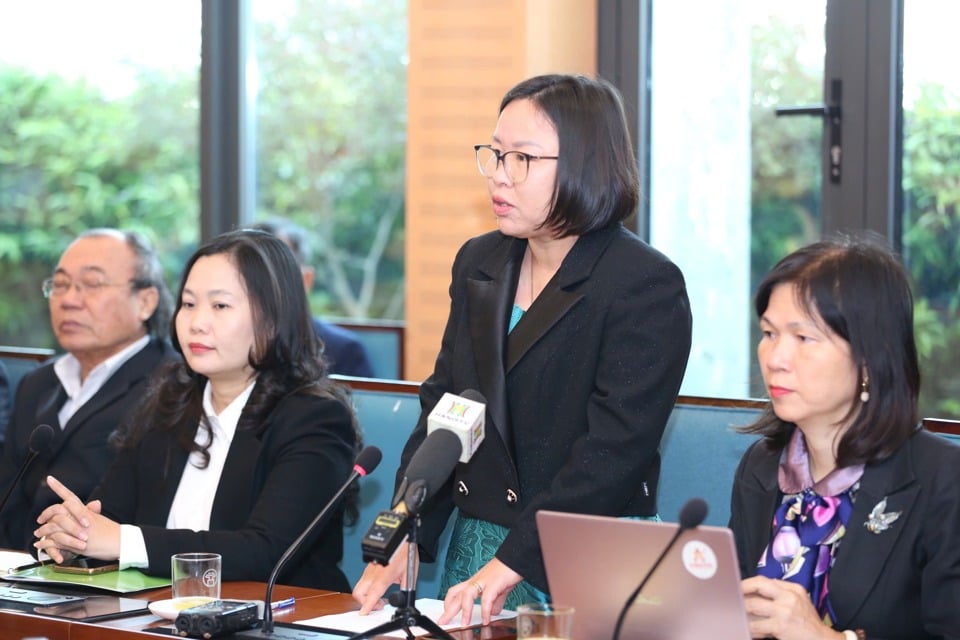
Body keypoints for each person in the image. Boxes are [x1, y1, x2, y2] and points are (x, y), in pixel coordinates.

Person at [352, 73, 692, 626]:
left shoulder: (643, 283)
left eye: (522, 159)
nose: (498, 176)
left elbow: (612, 451)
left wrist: (514, 559)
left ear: (586, 162)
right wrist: (405, 532)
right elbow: (445, 409)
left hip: (593, 547)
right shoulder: (479, 262)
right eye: (494, 154)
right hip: (478, 542)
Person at [34, 229, 360, 590]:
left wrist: (122, 541)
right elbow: (109, 515)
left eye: (220, 306)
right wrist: (75, 532)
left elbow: (267, 550)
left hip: (282, 619)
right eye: (188, 304)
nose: (197, 322)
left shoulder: (314, 417)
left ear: (273, 318)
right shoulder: (168, 402)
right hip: (156, 616)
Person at [730, 235, 960, 639]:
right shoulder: (763, 466)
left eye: (803, 338)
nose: (775, 359)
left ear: (870, 357)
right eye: (769, 334)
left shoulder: (942, 481)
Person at [0, 228, 177, 551]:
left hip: (108, 579)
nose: (68, 300)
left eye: (92, 284)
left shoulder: (173, 385)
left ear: (146, 301)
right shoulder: (36, 383)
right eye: (61, 284)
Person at [250, 218, 376, 378]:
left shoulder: (344, 351)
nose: (262, 285)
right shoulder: (223, 344)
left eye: (277, 272)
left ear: (306, 279)